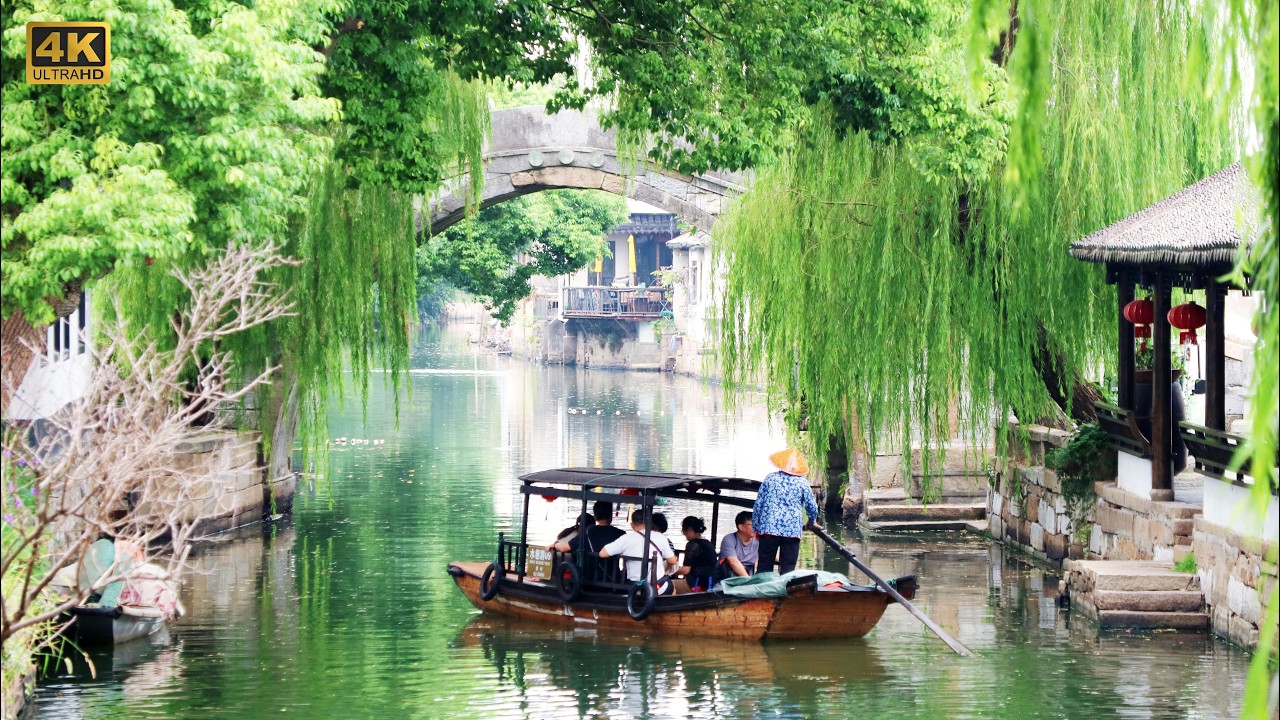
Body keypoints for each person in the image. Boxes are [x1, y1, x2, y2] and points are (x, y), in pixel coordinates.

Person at [753, 447, 820, 575]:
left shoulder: (770, 479)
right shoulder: (802, 483)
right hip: (792, 531)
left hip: (769, 530)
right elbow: (812, 507)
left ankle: (762, 587)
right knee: (788, 569)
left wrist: (756, 528)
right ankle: (785, 587)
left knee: (764, 566)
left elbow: (758, 505)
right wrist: (811, 521)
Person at [599, 509, 678, 594]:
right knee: (672, 588)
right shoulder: (661, 537)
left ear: (632, 525)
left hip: (634, 588)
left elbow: (602, 554)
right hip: (657, 587)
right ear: (650, 523)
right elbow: (672, 561)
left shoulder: (626, 538)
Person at [552, 501, 625, 555]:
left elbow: (563, 548)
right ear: (611, 516)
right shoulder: (621, 534)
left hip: (589, 571)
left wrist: (555, 545)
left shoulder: (587, 533)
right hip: (613, 572)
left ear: (595, 517)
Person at [676, 516, 717, 592]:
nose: (684, 534)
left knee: (670, 585)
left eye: (683, 531)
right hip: (710, 584)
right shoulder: (708, 543)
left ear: (689, 530)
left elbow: (685, 570)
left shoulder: (692, 544)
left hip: (696, 584)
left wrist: (672, 571)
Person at [718, 511, 758, 578]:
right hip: (729, 576)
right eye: (753, 525)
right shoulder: (729, 539)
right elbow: (733, 562)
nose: (756, 528)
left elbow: (769, 553)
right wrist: (749, 580)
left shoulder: (758, 539)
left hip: (749, 572)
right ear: (741, 527)